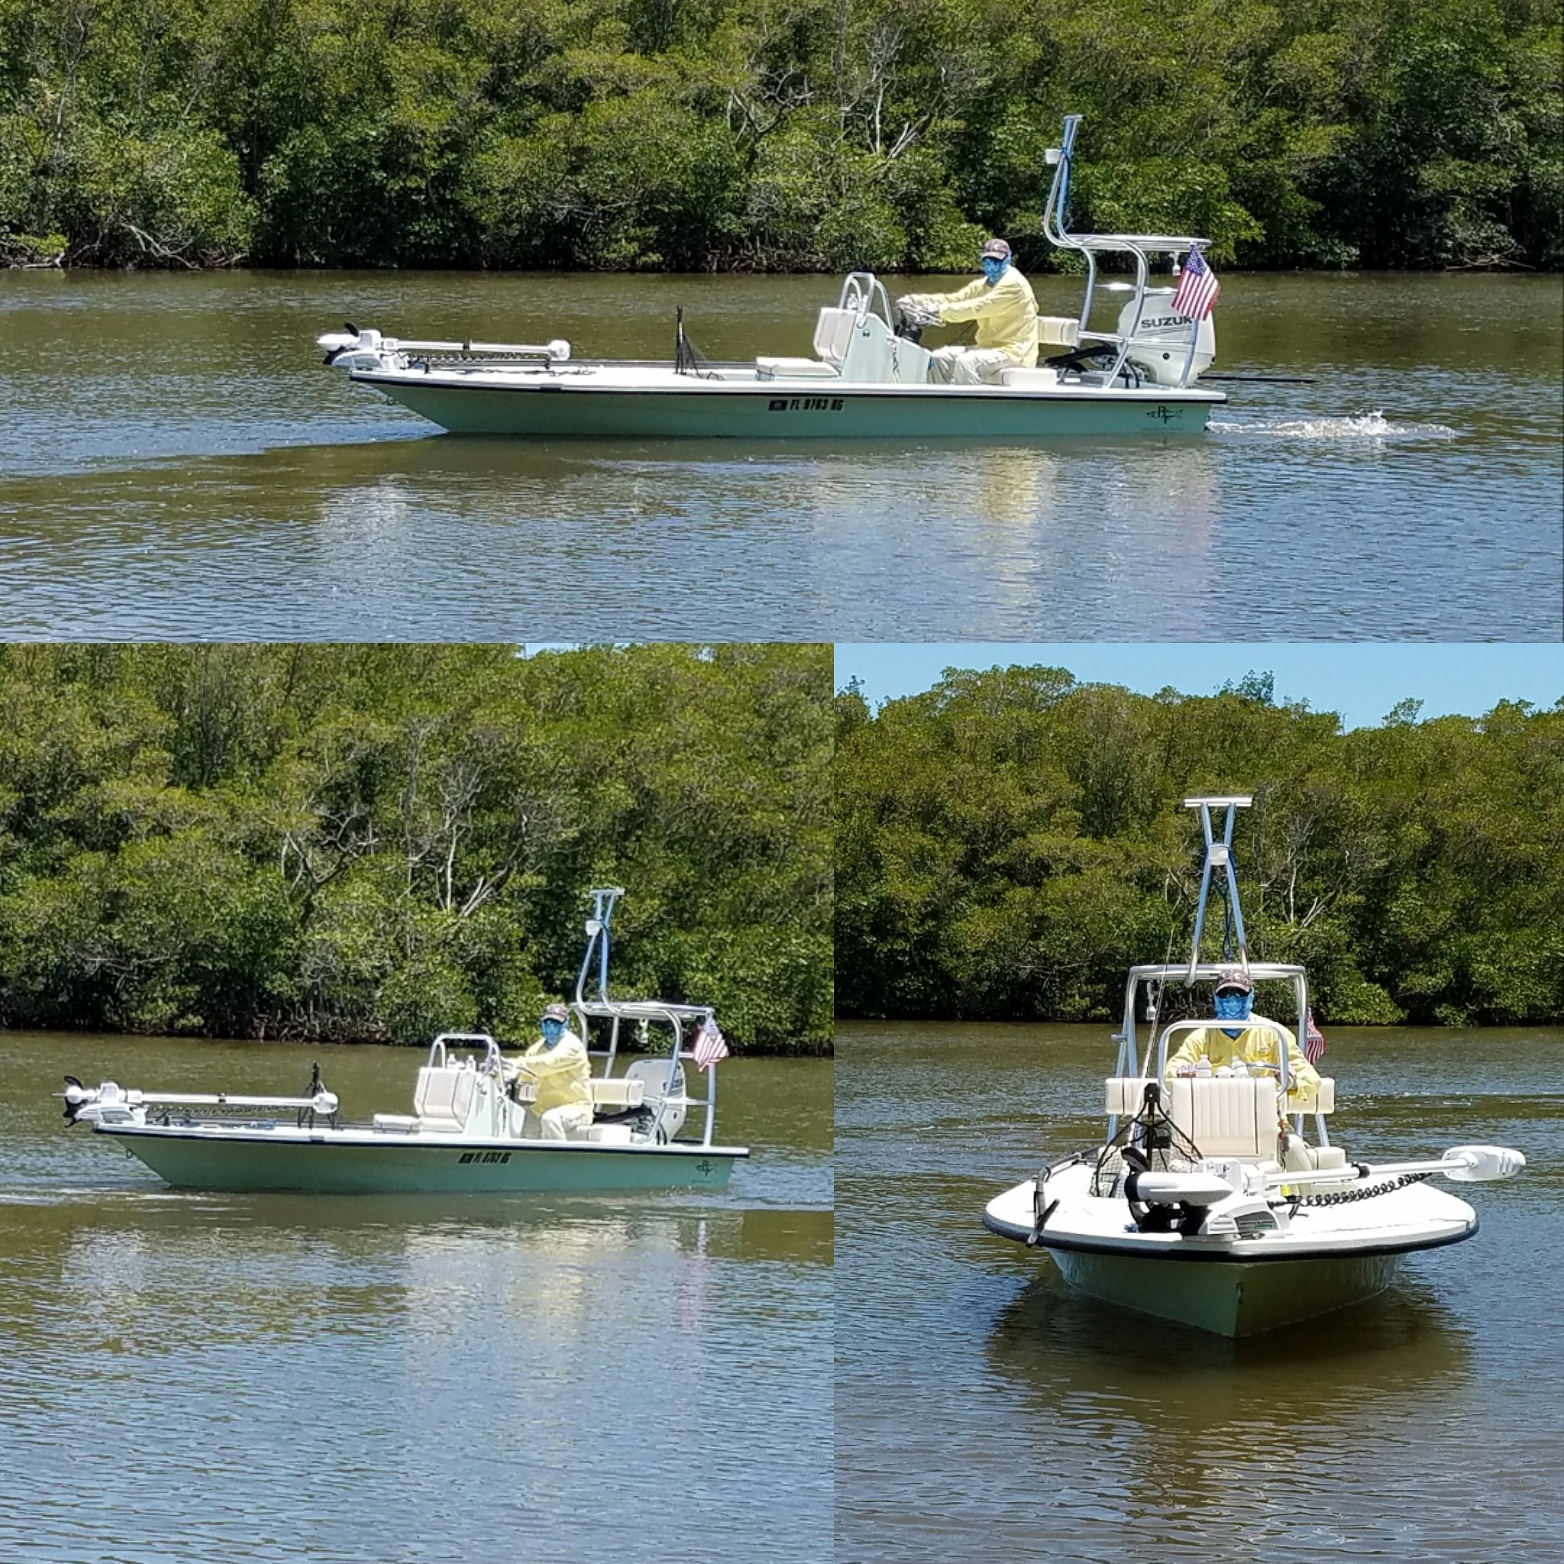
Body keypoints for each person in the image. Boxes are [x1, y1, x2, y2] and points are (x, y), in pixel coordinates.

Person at [1164, 968, 1321, 1104]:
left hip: (1265, 1120)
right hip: (1210, 1118)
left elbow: (1311, 1079)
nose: (1232, 1001)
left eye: (1239, 994)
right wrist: (1181, 1074)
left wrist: (1292, 1081)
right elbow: (1168, 1073)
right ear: (1216, 999)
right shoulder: (1200, 1037)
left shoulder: (1275, 1034)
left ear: (1251, 997)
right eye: (1225, 994)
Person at [895, 239, 1040, 385]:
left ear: (1008, 259)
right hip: (986, 348)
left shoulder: (1014, 284)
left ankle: (970, 407)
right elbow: (954, 299)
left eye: (996, 261)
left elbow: (977, 307)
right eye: (987, 261)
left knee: (967, 362)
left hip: (1015, 353)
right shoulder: (982, 284)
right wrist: (915, 301)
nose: (991, 266)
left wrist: (938, 312)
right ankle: (939, 404)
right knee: (939, 357)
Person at [506, 1002, 593, 1140]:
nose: (551, 1028)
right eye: (547, 1023)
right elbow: (525, 1076)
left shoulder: (573, 1047)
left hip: (577, 1109)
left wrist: (518, 1063)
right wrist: (502, 1072)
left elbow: (547, 1064)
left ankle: (557, 1159)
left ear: (565, 1024)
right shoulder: (535, 1050)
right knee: (509, 1116)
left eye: (556, 1023)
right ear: (542, 1024)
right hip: (542, 1108)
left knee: (551, 1119)